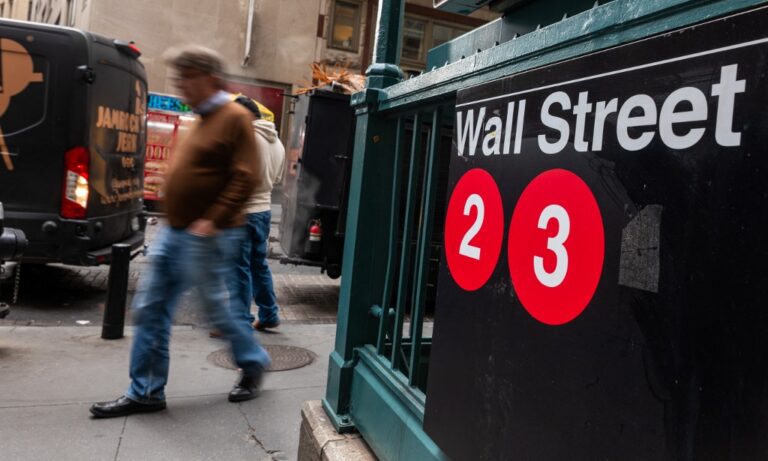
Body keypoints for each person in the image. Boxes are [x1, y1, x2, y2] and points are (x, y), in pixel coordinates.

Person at [90, 45, 271, 418]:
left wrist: (213, 220)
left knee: (215, 310)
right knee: (151, 307)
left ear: (209, 78)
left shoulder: (234, 117)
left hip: (209, 234)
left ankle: (252, 361)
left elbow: (246, 176)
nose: (181, 86)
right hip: (176, 231)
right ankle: (147, 392)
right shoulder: (201, 118)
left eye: (187, 78)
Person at [227, 95, 285, 332]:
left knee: (238, 268)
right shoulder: (277, 143)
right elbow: (278, 179)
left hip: (243, 212)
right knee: (258, 265)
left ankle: (240, 321)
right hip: (264, 210)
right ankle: (269, 313)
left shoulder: (247, 139)